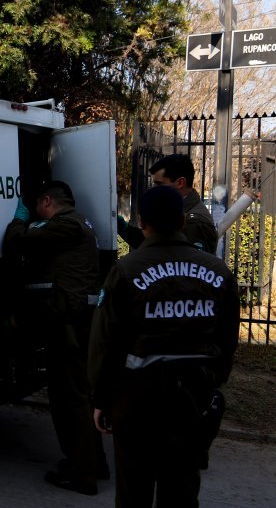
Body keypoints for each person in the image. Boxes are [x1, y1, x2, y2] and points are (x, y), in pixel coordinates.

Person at [89, 185, 239, 507]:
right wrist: (212, 382)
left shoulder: (126, 271)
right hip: (193, 397)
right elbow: (227, 340)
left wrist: (102, 398)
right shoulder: (219, 272)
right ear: (183, 222)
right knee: (182, 488)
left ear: (142, 222)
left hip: (137, 398)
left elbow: (105, 342)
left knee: (133, 489)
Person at [4, 180, 108, 496]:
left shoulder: (66, 226)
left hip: (69, 325)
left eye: (36, 205)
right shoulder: (78, 222)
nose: (35, 211)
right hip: (74, 322)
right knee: (77, 397)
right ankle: (92, 463)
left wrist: (20, 219)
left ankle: (83, 476)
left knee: (70, 400)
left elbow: (16, 241)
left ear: (47, 201)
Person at [118, 154, 217, 254]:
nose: (155, 189)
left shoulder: (195, 222)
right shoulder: (176, 211)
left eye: (159, 184)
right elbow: (156, 243)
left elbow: (188, 262)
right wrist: (124, 228)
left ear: (180, 183)